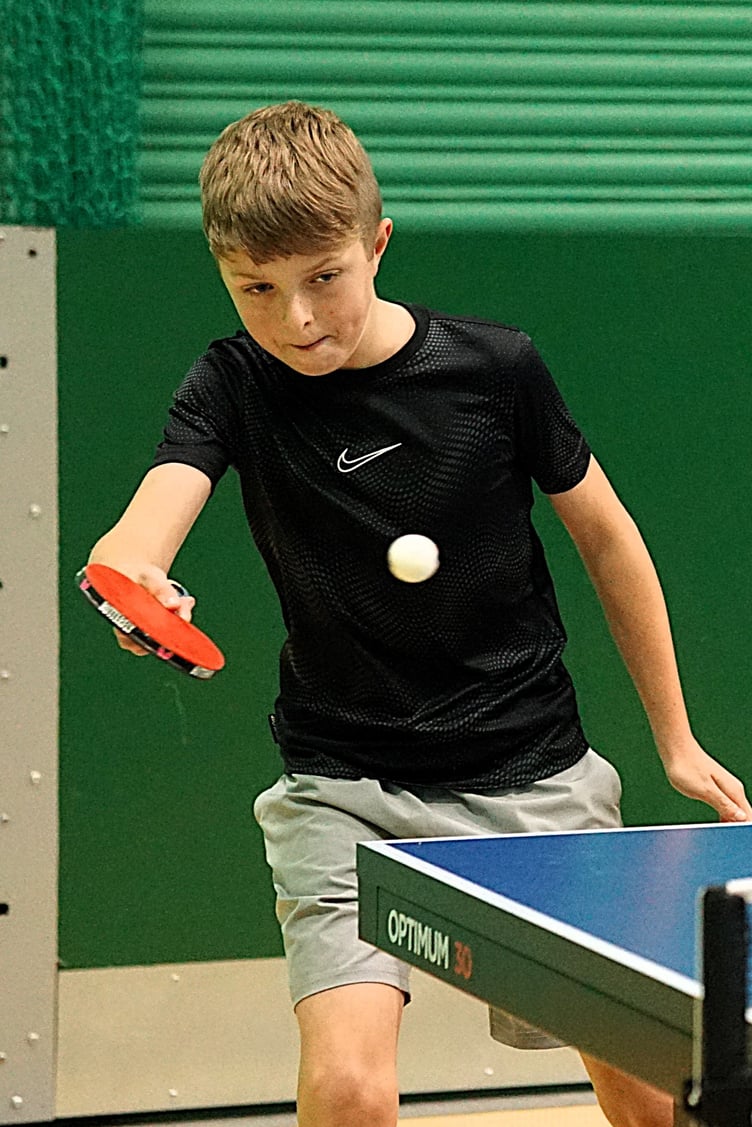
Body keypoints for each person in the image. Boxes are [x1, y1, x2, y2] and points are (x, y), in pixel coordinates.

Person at [88, 101, 750, 1127]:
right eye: (254, 289)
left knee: (651, 1092)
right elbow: (142, 531)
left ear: (375, 243)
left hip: (532, 778)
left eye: (323, 278)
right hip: (343, 791)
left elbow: (608, 540)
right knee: (351, 1088)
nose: (295, 318)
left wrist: (673, 735)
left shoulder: (493, 370)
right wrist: (138, 583)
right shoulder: (232, 382)